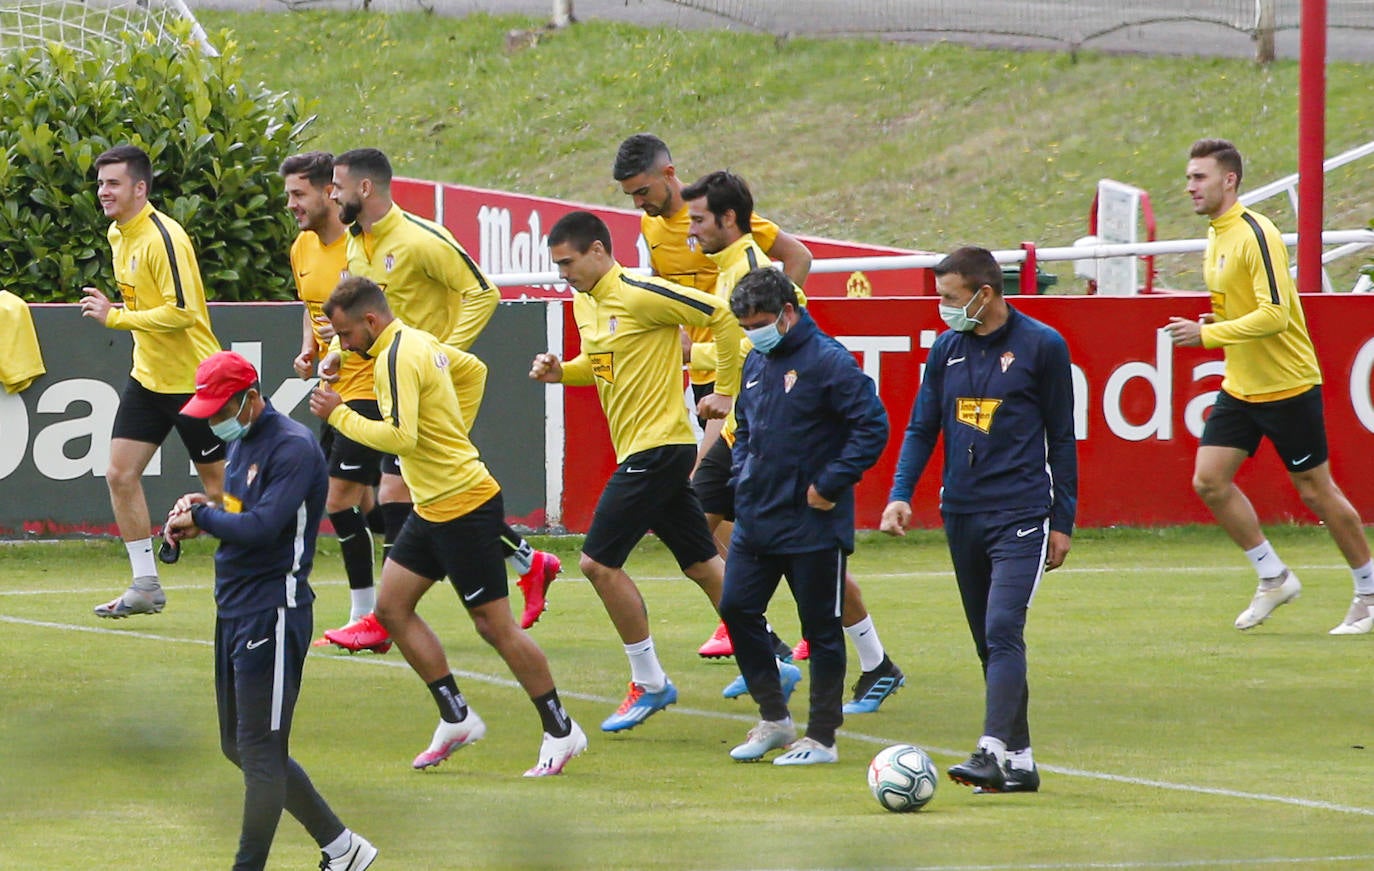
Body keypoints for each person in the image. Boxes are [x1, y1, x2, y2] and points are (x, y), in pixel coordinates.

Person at [310, 277, 586, 776]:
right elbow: (474, 370)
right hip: (432, 506)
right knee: (391, 609)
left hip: (462, 504)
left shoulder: (396, 358)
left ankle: (562, 730)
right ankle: (456, 718)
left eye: (346, 335)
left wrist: (340, 414)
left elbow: (401, 438)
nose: (344, 344)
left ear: (371, 320)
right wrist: (454, 431)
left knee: (494, 627)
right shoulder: (414, 340)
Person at [682, 170, 906, 714]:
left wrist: (715, 382)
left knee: (706, 528)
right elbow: (748, 346)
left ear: (727, 218)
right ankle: (782, 650)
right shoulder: (727, 265)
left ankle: (807, 656)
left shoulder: (750, 268)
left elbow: (768, 345)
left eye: (698, 220)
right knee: (705, 528)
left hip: (756, 429)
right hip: (747, 431)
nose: (690, 231)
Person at [322, 147, 560, 651]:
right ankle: (527, 559)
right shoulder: (357, 244)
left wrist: (439, 354)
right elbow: (365, 320)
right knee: (427, 493)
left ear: (363, 188)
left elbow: (483, 292)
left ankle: (382, 618)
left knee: (397, 491)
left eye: (337, 187)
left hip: (426, 387)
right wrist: (336, 355)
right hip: (389, 384)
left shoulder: (420, 238)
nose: (332, 196)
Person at [529, 210, 745, 733]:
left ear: (598, 250)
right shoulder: (586, 302)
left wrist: (725, 390)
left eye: (568, 263)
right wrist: (563, 373)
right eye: (557, 265)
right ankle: (769, 656)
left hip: (659, 448)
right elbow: (599, 367)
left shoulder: (639, 292)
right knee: (702, 563)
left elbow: (723, 315)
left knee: (597, 564)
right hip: (647, 450)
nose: (563, 274)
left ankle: (649, 681)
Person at [162, 351, 376, 871]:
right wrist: (204, 510)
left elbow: (263, 528)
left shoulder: (293, 447)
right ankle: (343, 847)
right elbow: (243, 510)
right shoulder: (245, 442)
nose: (215, 421)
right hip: (235, 607)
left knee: (260, 752)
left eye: (221, 410)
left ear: (251, 399)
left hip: (274, 611)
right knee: (239, 745)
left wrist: (207, 518)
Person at [881, 246, 1077, 794]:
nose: (942, 307)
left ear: (984, 294)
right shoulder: (947, 349)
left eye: (950, 297)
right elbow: (922, 427)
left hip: (1021, 512)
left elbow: (1062, 438)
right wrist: (900, 494)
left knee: (1002, 628)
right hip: (962, 513)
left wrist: (1063, 520)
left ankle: (990, 751)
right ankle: (1021, 762)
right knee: (988, 644)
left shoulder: (1043, 346)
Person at [612, 133, 813, 661]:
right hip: (710, 377)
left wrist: (776, 320)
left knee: (712, 508)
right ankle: (752, 622)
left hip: (740, 376)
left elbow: (797, 256)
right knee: (714, 511)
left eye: (643, 190)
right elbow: (670, 291)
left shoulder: (723, 224)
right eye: (631, 195)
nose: (639, 203)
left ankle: (767, 620)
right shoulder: (652, 227)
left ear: (669, 174)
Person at [1164, 138, 1374, 635]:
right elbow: (1244, 308)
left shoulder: (1256, 233)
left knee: (1316, 492)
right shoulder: (1217, 235)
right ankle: (1273, 577)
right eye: (1189, 177)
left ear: (1229, 180)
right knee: (1209, 481)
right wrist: (1214, 322)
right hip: (1241, 386)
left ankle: (1368, 592)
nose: (1190, 186)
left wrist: (1207, 335)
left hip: (1285, 384)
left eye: (1199, 177)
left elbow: (1276, 314)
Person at [721, 267, 889, 766]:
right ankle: (774, 719)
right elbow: (744, 427)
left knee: (821, 628)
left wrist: (830, 484)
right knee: (736, 608)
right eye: (746, 325)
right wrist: (741, 476)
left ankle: (822, 737)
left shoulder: (828, 360)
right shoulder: (755, 360)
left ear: (788, 313)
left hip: (813, 523)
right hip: (757, 516)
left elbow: (872, 426)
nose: (753, 333)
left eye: (760, 323)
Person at [80, 144, 225, 619]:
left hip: (195, 382)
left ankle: (261, 575)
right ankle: (145, 584)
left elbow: (182, 313)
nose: (103, 191)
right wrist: (124, 317)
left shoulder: (164, 237)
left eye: (113, 183)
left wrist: (116, 317)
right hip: (148, 378)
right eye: (101, 183)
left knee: (226, 493)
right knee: (119, 474)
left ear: (140, 188)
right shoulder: (117, 233)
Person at [280, 151, 386, 641]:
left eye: (298, 194)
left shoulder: (359, 248)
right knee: (374, 507)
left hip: (370, 388)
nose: (291, 204)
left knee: (339, 500)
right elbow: (312, 309)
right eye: (288, 195)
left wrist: (341, 351)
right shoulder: (302, 247)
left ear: (329, 192)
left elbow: (379, 320)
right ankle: (515, 554)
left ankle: (368, 613)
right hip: (333, 390)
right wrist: (310, 350)